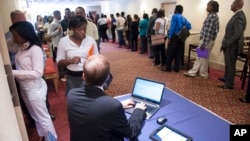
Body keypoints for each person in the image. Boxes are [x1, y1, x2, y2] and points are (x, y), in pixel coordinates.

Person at [67, 54, 146, 141]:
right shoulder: (112, 106)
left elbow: (92, 111)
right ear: (107, 77)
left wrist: (118, 105)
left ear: (83, 76)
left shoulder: (71, 95)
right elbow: (131, 131)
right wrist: (139, 110)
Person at [10, 21, 57, 141]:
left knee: (43, 118)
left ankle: (52, 139)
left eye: (15, 35)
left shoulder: (34, 49)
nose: (13, 38)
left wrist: (12, 73)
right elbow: (5, 43)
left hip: (34, 89)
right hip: (24, 88)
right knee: (35, 116)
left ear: (24, 34)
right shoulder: (21, 46)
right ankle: (44, 136)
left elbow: (38, 73)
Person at [56, 16, 99, 95]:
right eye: (79, 29)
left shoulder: (91, 40)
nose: (83, 32)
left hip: (88, 76)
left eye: (84, 29)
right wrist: (70, 61)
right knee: (75, 99)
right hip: (72, 77)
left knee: (89, 98)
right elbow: (59, 61)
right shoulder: (63, 41)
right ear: (72, 29)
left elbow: (97, 58)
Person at [184, 0, 220, 79]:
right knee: (202, 57)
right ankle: (196, 72)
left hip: (206, 40)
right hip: (208, 40)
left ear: (212, 7)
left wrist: (204, 43)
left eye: (208, 5)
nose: (206, 7)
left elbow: (209, 31)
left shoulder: (212, 16)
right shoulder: (213, 16)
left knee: (202, 58)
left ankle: (202, 74)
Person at [218, 0, 246, 89]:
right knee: (228, 64)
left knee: (230, 65)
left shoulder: (239, 17)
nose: (231, 5)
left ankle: (229, 85)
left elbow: (237, 34)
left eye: (232, 3)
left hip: (232, 46)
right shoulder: (236, 15)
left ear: (237, 4)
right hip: (229, 44)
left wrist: (227, 43)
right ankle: (226, 78)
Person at [162, 5, 191, 72]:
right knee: (178, 53)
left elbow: (172, 28)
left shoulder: (174, 16)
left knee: (170, 52)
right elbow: (189, 26)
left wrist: (169, 37)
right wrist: (182, 29)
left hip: (175, 37)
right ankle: (176, 68)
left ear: (176, 10)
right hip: (181, 38)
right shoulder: (184, 18)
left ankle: (168, 67)